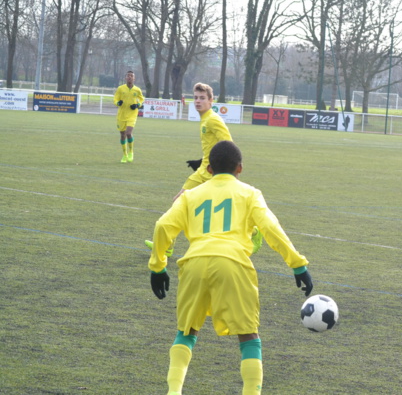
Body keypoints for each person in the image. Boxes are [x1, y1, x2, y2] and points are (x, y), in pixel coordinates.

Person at [148, 140, 313, 395]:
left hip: (194, 263)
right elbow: (270, 228)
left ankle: (174, 392)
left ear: (210, 169)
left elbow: (162, 226)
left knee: (186, 331)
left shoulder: (191, 195)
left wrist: (158, 267)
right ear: (240, 168)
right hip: (233, 264)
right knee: (248, 335)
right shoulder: (249, 193)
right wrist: (297, 264)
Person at [145, 82, 236, 255]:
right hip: (203, 170)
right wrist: (202, 160)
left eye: (202, 98)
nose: (198, 101)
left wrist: (230, 171)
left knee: (221, 210)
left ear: (211, 100)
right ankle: (168, 245)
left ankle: (254, 232)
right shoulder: (205, 119)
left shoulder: (213, 119)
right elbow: (213, 145)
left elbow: (228, 145)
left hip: (212, 173)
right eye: (195, 98)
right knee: (179, 202)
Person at [114, 71, 144, 163]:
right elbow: (115, 99)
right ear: (125, 78)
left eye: (132, 76)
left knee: (128, 133)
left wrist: (137, 105)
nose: (130, 77)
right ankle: (124, 154)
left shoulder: (137, 90)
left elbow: (142, 99)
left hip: (132, 114)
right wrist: (118, 103)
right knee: (122, 135)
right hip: (122, 115)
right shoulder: (120, 88)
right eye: (128, 76)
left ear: (134, 78)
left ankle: (131, 152)